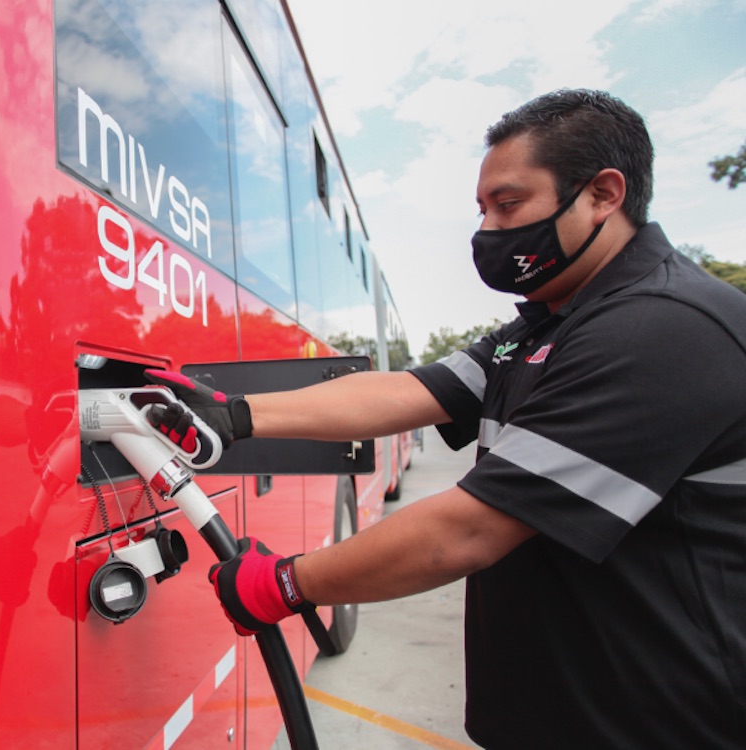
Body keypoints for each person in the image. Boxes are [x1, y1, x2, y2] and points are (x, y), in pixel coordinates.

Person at [146, 89, 746, 749]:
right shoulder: (546, 325)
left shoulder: (662, 327)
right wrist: (234, 416)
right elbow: (405, 390)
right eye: (483, 209)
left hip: (658, 722)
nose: (488, 231)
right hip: (561, 714)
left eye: (510, 205)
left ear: (604, 194)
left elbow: (470, 528)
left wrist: (287, 583)